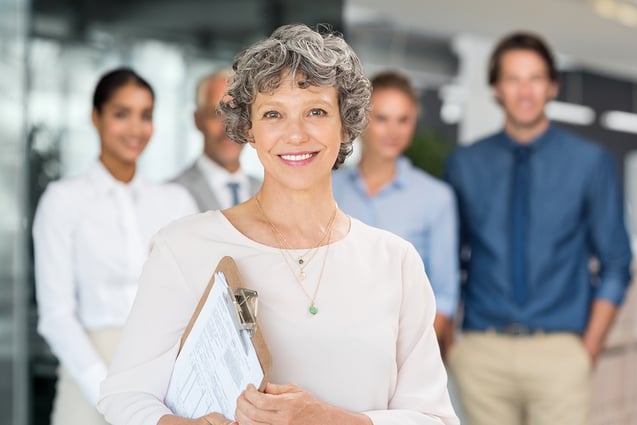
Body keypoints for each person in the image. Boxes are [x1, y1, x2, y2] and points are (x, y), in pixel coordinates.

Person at [98, 24, 459, 425]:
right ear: (249, 129)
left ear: (346, 124)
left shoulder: (396, 262)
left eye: (316, 111)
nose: (295, 133)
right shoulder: (183, 247)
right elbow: (125, 396)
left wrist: (329, 419)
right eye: (273, 114)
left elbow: (435, 419)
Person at [445, 32, 632, 425]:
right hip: (483, 355)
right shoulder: (465, 164)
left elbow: (616, 262)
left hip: (561, 352)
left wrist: (589, 348)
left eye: (535, 78)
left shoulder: (589, 163)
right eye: (513, 78)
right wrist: (452, 346)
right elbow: (446, 261)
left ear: (552, 86)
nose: (525, 90)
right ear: (496, 89)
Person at [32, 67, 198, 425]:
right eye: (122, 114)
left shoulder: (175, 202)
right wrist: (105, 390)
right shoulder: (63, 201)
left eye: (146, 116)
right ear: (96, 117)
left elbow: (194, 298)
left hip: (163, 383)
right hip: (89, 374)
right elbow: (56, 315)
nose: (136, 129)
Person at [332, 71, 459, 355]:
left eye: (404, 120)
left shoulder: (436, 197)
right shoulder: (327, 188)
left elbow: (445, 293)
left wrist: (413, 357)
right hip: (332, 341)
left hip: (403, 348)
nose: (394, 131)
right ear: (360, 119)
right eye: (382, 118)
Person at [173, 68, 261, 211]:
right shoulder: (171, 193)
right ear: (197, 120)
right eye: (216, 114)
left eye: (237, 113)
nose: (228, 128)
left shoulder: (268, 192)